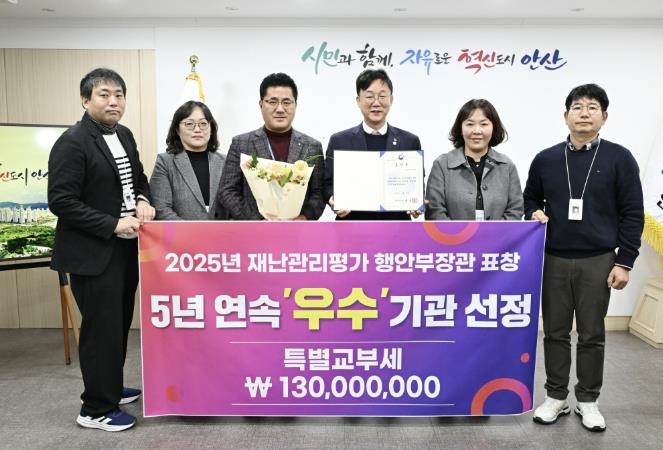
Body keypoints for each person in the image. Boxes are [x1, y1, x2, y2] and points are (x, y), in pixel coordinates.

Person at [525, 83, 644, 432]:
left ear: (604, 117)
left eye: (592, 107)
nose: (584, 113)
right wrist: (533, 212)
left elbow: (632, 212)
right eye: (577, 107)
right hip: (554, 258)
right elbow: (530, 198)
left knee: (592, 333)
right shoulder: (546, 158)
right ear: (566, 116)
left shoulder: (619, 158)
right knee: (555, 332)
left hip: (599, 260)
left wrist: (624, 261)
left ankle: (588, 400)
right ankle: (556, 396)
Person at [48, 68, 155, 432]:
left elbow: (138, 178)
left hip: (124, 250)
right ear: (85, 100)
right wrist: (112, 224)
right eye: (104, 95)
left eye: (119, 95)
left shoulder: (123, 134)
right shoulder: (72, 142)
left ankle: (109, 386)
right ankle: (95, 408)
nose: (113, 102)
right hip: (92, 253)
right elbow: (61, 201)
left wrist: (143, 199)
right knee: (100, 331)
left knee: (117, 324)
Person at [218, 72, 324, 220]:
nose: (280, 109)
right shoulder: (241, 144)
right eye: (273, 101)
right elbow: (227, 190)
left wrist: (303, 218)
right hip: (253, 231)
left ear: (295, 105)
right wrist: (256, 220)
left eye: (286, 102)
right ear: (261, 104)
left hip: (297, 231)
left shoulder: (312, 146)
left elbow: (319, 193)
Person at [323, 69, 422, 220]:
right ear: (358, 100)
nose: (376, 103)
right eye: (369, 96)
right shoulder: (339, 141)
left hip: (397, 226)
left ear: (391, 99)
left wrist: (416, 203)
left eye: (382, 96)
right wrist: (333, 200)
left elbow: (416, 184)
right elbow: (327, 184)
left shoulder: (409, 141)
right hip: (352, 225)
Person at [425, 99, 523, 220]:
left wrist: (495, 231)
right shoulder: (442, 165)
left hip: (500, 234)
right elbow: (435, 211)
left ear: (494, 127)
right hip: (451, 233)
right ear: (460, 128)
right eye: (470, 124)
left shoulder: (507, 166)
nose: (477, 131)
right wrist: (458, 232)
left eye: (484, 124)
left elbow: (515, 210)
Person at [150, 101, 226, 220]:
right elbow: (162, 209)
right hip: (180, 232)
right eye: (189, 124)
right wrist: (189, 230)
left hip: (223, 231)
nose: (197, 129)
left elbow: (234, 204)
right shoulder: (165, 162)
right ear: (177, 129)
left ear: (211, 128)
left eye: (203, 123)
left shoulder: (225, 162)